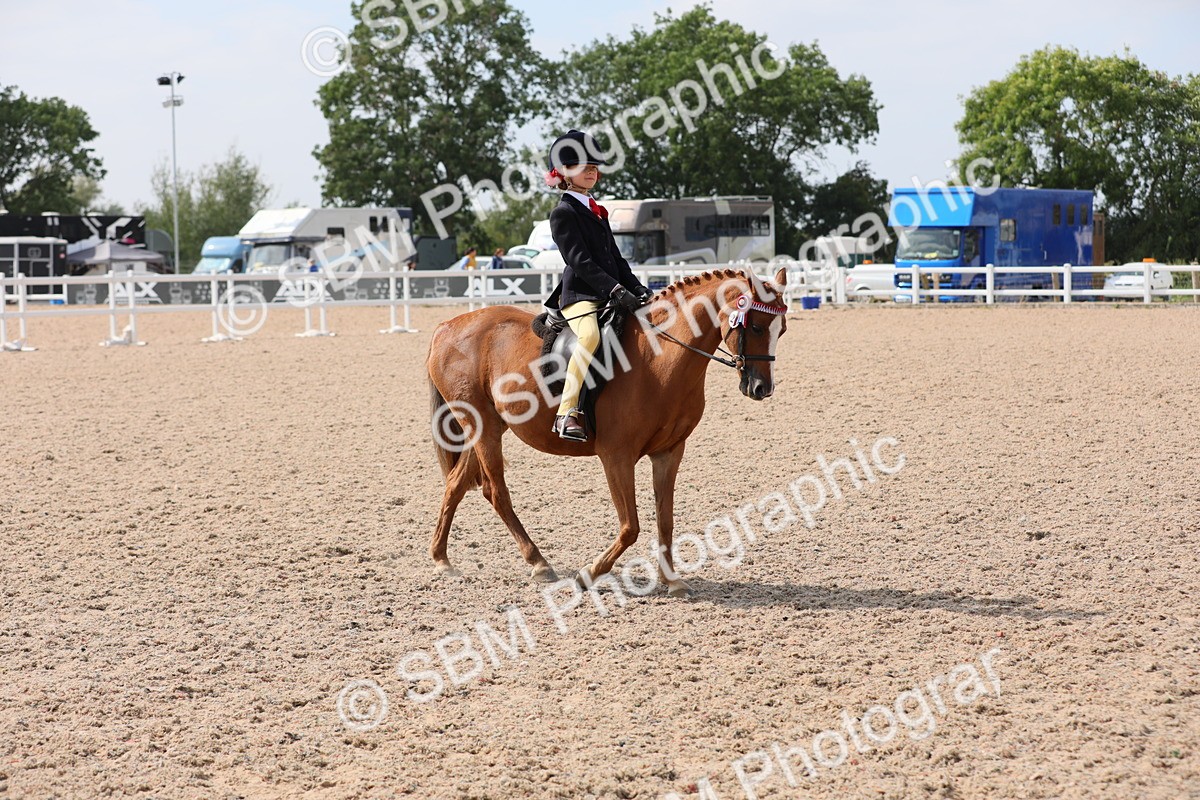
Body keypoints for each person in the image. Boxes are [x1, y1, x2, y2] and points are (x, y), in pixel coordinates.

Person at [544, 129, 652, 442]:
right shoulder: (563, 213)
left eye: (594, 167)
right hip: (580, 294)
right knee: (590, 336)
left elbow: (616, 259)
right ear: (564, 172)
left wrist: (638, 288)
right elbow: (580, 261)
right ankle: (567, 412)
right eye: (583, 167)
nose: (591, 171)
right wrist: (615, 290)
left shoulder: (597, 210)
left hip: (610, 291)